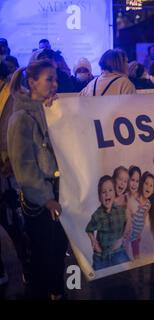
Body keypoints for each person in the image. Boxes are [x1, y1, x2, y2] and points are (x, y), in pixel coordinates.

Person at [7, 60, 68, 299]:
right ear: (32, 82)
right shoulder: (21, 118)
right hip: (40, 200)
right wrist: (46, 199)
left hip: (60, 192)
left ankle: (57, 291)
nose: (55, 84)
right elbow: (24, 167)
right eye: (49, 79)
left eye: (56, 79)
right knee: (43, 253)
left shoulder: (54, 109)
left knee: (58, 250)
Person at [86, 175, 130, 270]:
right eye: (103, 192)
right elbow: (89, 229)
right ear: (99, 197)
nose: (107, 194)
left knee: (126, 276)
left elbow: (128, 222)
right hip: (101, 256)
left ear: (115, 193)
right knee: (99, 281)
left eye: (110, 190)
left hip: (118, 252)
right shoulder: (97, 215)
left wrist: (122, 238)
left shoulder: (120, 211)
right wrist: (93, 241)